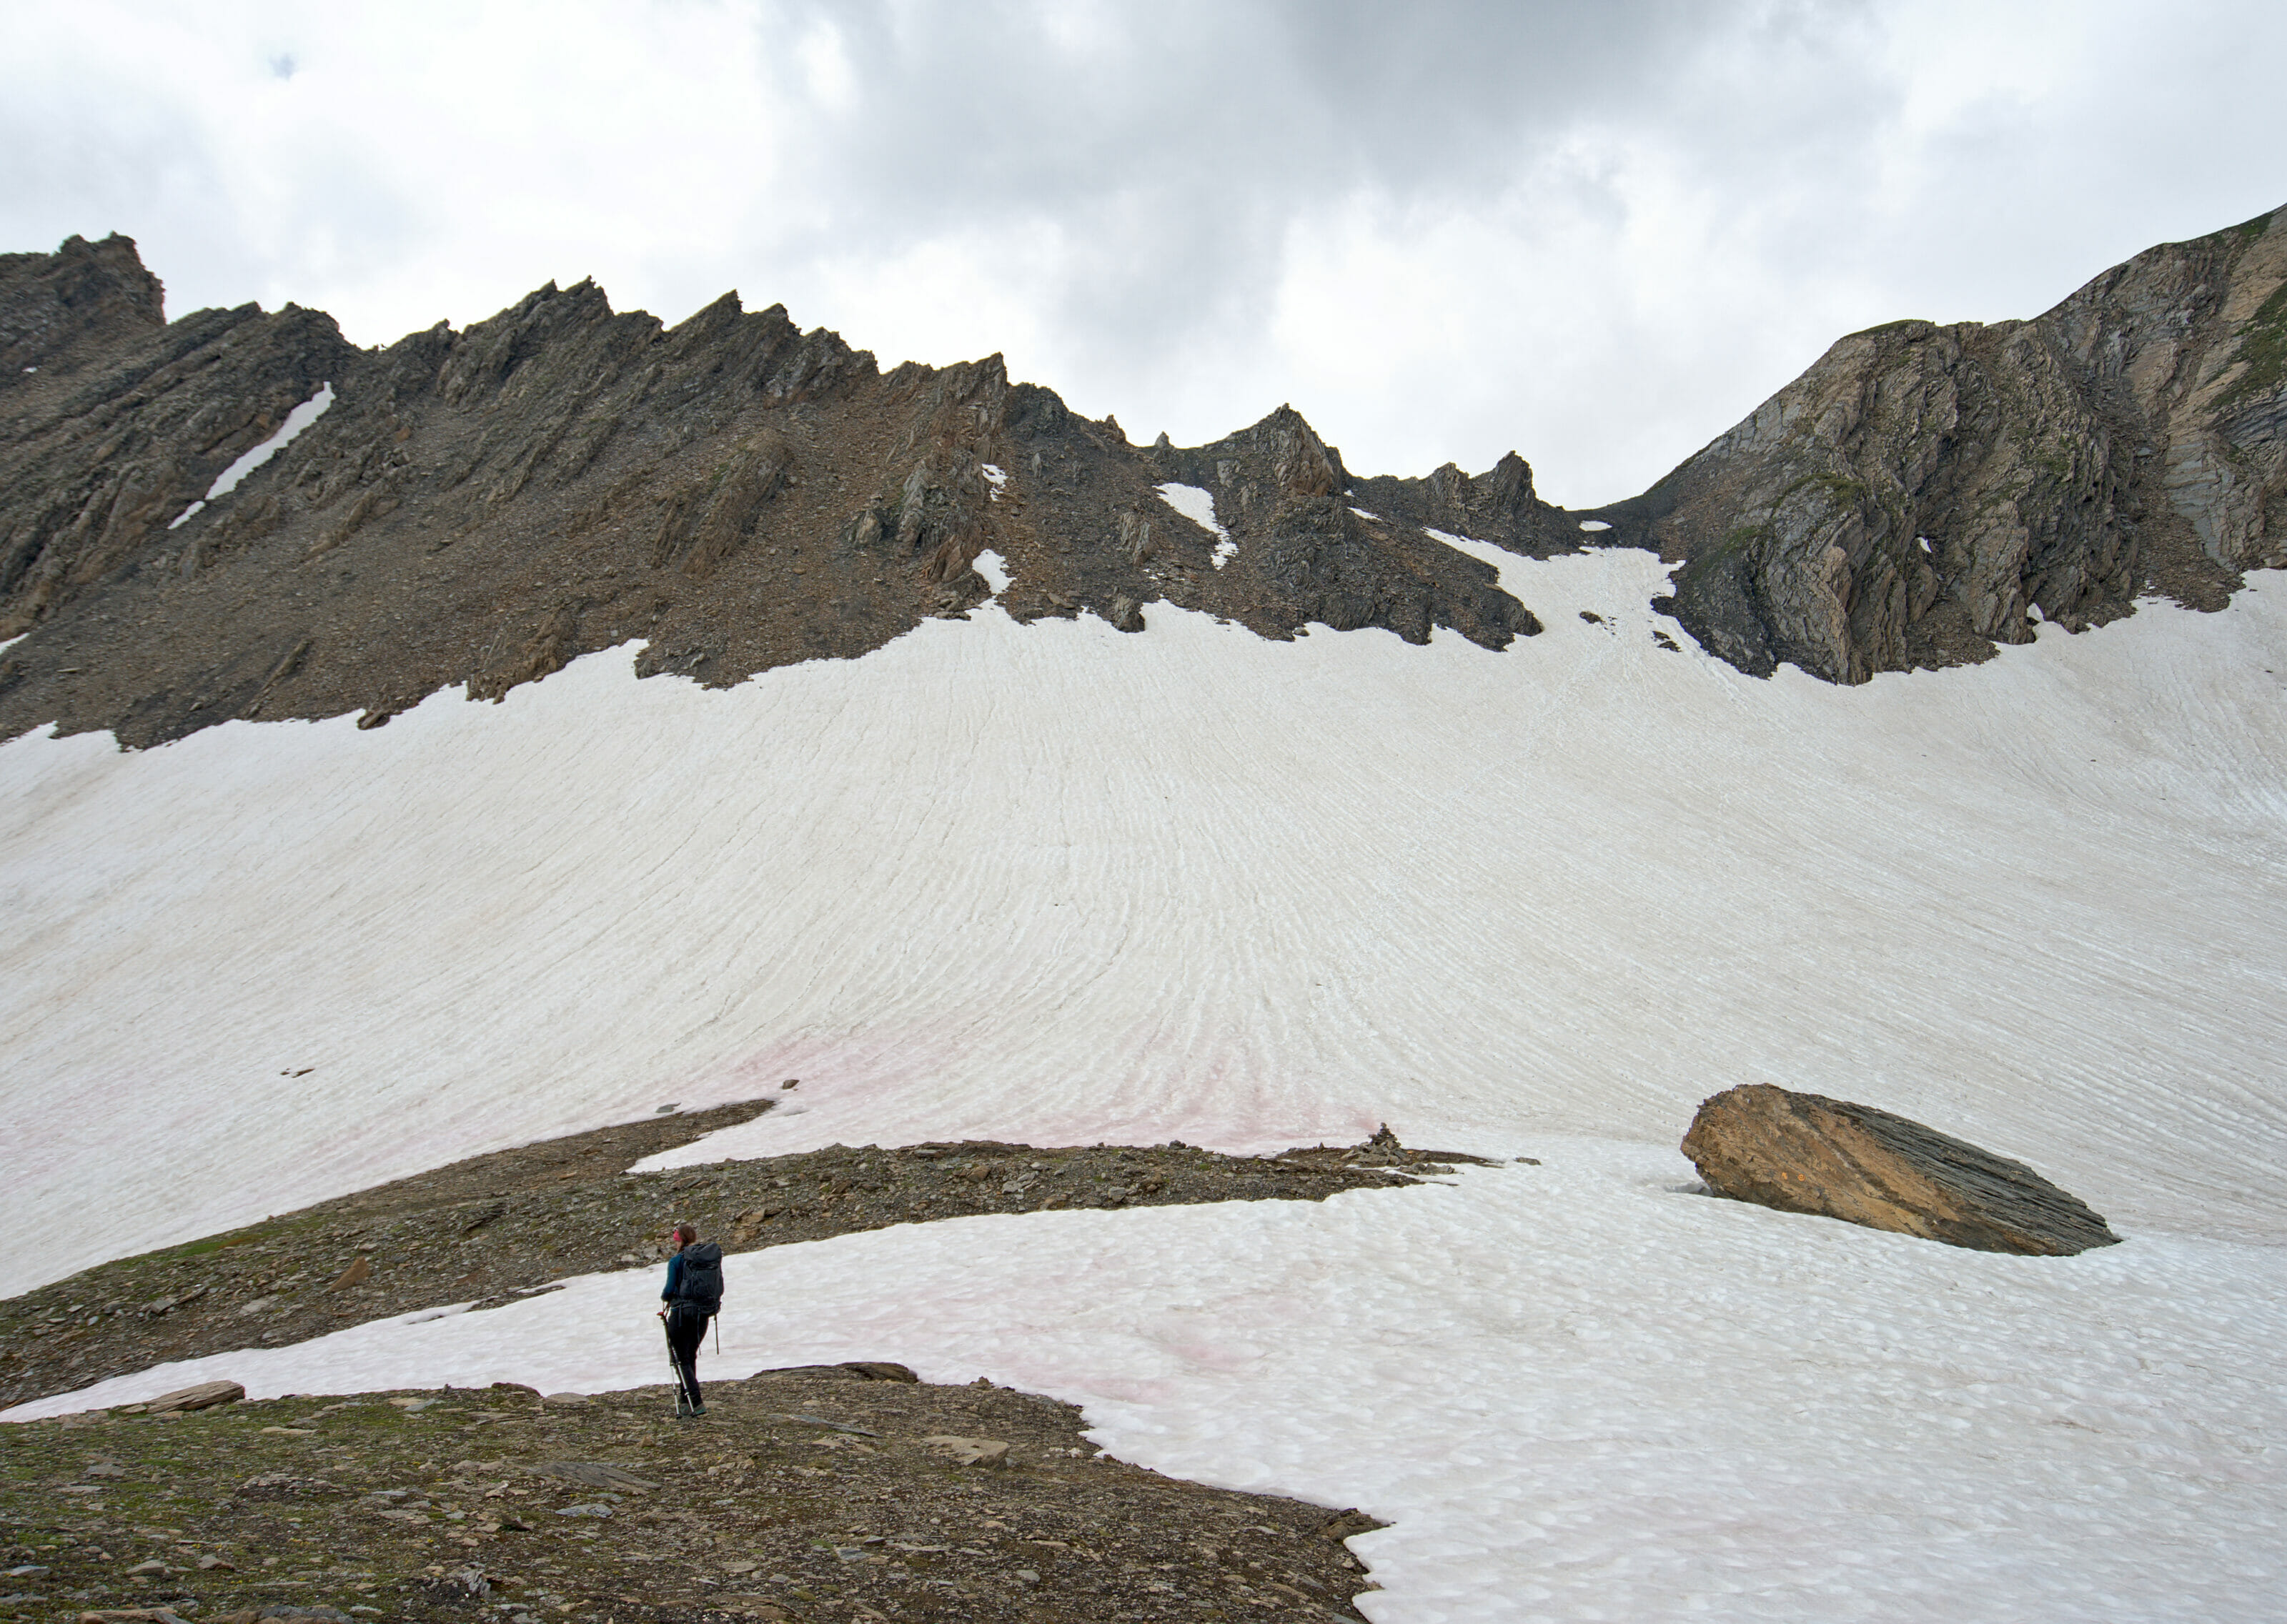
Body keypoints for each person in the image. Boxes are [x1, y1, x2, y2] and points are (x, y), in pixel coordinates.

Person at [658, 1222, 724, 1418]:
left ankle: (696, 1401)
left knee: (681, 1358)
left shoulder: (676, 1261)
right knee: (690, 1355)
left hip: (680, 1313)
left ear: (678, 1239)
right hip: (702, 1313)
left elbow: (669, 1290)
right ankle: (685, 1401)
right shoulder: (704, 1258)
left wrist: (665, 1298)